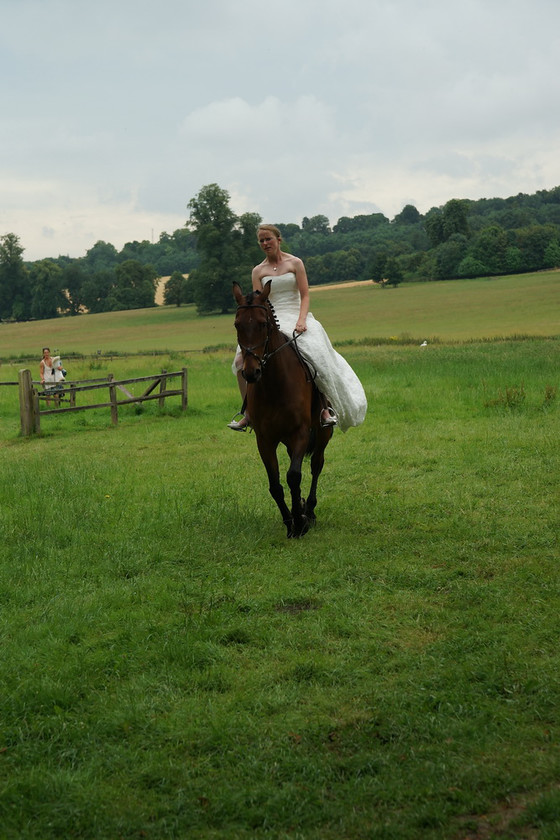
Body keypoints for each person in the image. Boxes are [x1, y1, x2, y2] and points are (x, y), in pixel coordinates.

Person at [228, 224, 367, 432]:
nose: (265, 243)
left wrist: (302, 320)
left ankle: (324, 408)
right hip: (271, 320)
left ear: (278, 240)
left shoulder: (295, 263)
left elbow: (305, 294)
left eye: (269, 239)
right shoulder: (258, 270)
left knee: (315, 352)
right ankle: (248, 412)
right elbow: (259, 302)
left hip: (296, 315)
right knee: (240, 360)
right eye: (261, 241)